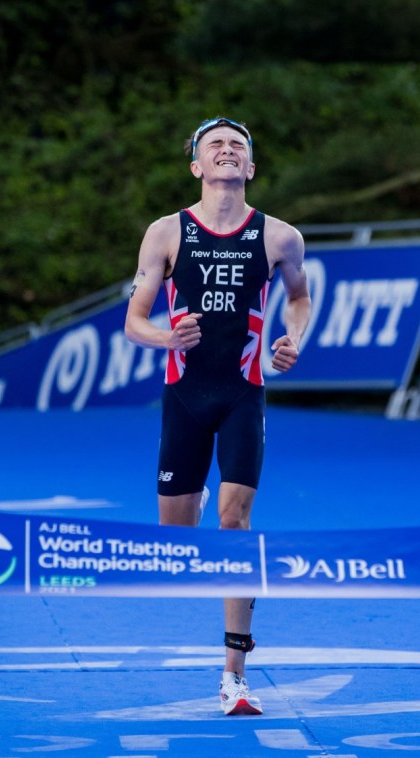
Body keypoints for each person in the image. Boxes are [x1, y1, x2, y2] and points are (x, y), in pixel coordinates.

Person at [124, 117, 311, 716]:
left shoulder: (280, 238)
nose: (227, 152)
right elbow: (135, 321)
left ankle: (234, 673)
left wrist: (293, 340)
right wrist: (166, 339)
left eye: (238, 147)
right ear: (197, 167)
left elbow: (299, 297)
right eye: (215, 146)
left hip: (242, 392)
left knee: (236, 521)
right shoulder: (166, 233)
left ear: (250, 168)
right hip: (184, 393)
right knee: (176, 544)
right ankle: (191, 499)